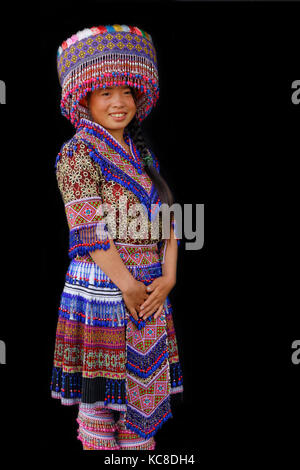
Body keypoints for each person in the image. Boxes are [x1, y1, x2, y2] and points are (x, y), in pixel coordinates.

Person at [50, 23, 184, 451]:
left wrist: (168, 279)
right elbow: (88, 231)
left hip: (150, 292)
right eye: (105, 93)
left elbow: (169, 225)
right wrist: (129, 286)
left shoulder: (142, 155)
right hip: (105, 292)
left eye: (126, 91)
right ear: (84, 98)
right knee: (101, 412)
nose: (119, 102)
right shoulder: (77, 153)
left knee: (140, 423)